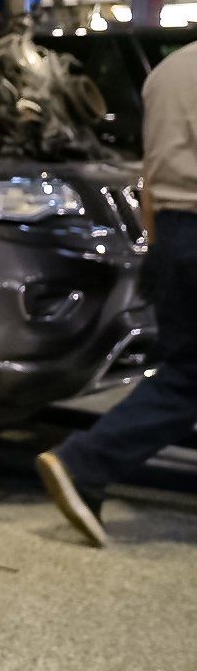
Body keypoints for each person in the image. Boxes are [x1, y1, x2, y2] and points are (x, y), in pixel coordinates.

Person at [38, 37, 197, 547]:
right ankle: (85, 461)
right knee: (187, 378)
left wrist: (156, 247)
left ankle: (85, 463)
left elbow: (150, 172)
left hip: (174, 232)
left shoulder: (168, 72)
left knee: (185, 369)